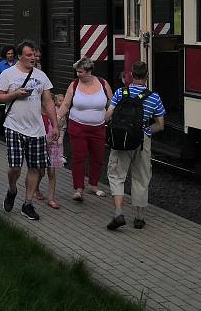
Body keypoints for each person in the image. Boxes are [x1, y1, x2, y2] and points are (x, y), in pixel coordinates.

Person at [0, 40, 58, 221]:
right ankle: (12, 189)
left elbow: (48, 102)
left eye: (35, 55)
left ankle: (27, 204)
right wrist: (15, 95)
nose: (33, 58)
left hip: (36, 129)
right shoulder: (8, 74)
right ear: (20, 56)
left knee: (35, 168)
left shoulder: (41, 76)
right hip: (13, 126)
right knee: (15, 167)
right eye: (29, 55)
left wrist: (54, 125)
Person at [104, 61, 166, 230]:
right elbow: (160, 125)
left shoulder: (120, 92)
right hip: (142, 140)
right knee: (141, 177)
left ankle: (118, 213)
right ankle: (139, 218)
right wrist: (146, 131)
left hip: (121, 140)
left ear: (131, 74)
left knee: (117, 176)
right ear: (147, 76)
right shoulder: (154, 97)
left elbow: (108, 116)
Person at [57, 57, 113, 202]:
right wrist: (57, 119)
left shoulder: (103, 83)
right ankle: (79, 188)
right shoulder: (74, 85)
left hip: (98, 128)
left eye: (81, 72)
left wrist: (106, 118)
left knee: (98, 158)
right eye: (77, 71)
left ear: (89, 71)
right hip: (77, 127)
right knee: (79, 157)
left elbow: (111, 103)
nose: (78, 74)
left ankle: (93, 185)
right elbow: (65, 105)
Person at [35, 93, 66, 208]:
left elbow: (59, 126)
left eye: (51, 101)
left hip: (52, 147)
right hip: (41, 146)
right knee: (41, 172)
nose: (50, 103)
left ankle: (51, 199)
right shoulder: (37, 115)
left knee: (51, 172)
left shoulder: (54, 114)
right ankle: (36, 188)